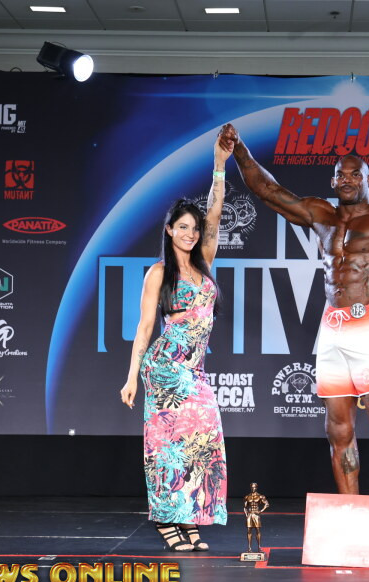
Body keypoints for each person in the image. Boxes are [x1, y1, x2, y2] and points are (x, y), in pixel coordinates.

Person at [220, 123, 369, 497]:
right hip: (331, 328)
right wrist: (240, 149)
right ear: (332, 181)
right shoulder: (321, 215)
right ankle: (349, 512)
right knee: (338, 431)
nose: (347, 180)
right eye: (340, 175)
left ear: (368, 179)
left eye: (355, 174)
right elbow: (268, 191)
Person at [120, 133, 233, 551]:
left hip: (195, 372)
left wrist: (219, 165)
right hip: (165, 369)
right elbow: (145, 327)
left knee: (202, 441)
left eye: (194, 228)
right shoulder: (158, 273)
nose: (190, 233)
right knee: (166, 447)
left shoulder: (205, 265)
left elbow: (216, 213)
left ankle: (189, 516)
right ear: (169, 230)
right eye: (182, 227)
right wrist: (132, 376)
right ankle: (167, 520)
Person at [243, 482, 269, 553]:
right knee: (249, 530)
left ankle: (259, 547)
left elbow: (267, 504)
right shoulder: (247, 497)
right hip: (250, 514)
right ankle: (249, 548)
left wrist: (260, 511)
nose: (253, 488)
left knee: (257, 530)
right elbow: (245, 507)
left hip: (256, 514)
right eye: (252, 487)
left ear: (256, 488)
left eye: (254, 487)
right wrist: (246, 515)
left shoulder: (260, 496)